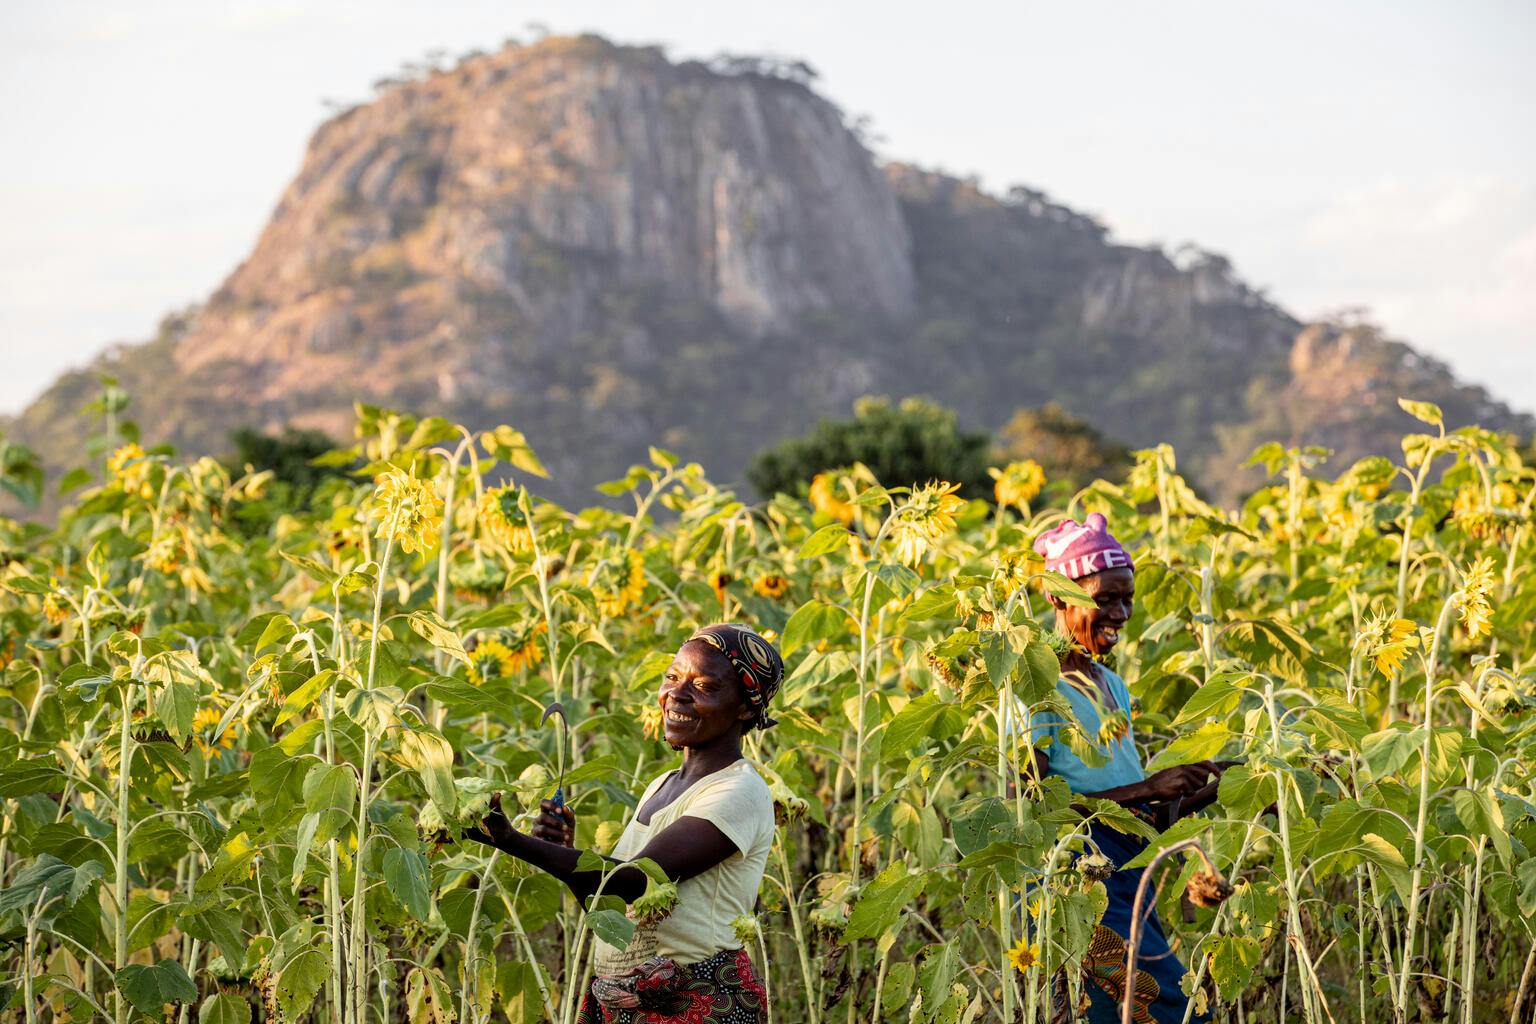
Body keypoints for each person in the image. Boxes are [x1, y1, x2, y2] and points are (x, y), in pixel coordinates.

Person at [468, 623, 782, 1024]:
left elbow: (635, 881)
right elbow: (613, 914)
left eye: (703, 686)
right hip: (628, 1004)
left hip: (697, 1004)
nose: (676, 695)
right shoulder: (662, 786)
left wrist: (508, 839)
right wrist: (565, 854)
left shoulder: (739, 791)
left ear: (745, 707)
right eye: (672, 677)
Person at [1024, 513, 1220, 1023]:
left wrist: (1216, 787)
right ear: (1059, 598)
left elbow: (1145, 818)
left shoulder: (1113, 686)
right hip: (1077, 873)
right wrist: (1148, 787)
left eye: (1127, 598)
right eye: (1105, 599)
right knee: (1159, 1004)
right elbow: (1031, 806)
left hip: (1130, 867)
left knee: (1136, 1006)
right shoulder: (1034, 686)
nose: (1122, 612)